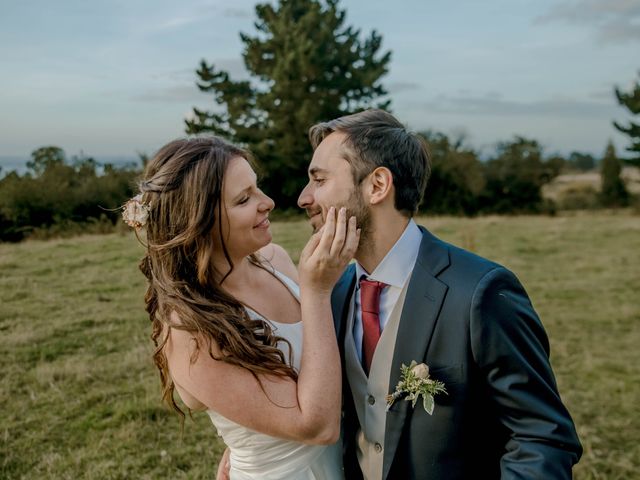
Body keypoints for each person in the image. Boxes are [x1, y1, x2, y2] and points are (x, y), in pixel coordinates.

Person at [296, 109, 583, 479]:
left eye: (319, 180)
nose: (305, 197)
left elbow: (542, 437)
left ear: (377, 185)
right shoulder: (333, 295)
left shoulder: (480, 292)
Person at [128, 137, 359, 479]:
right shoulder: (190, 328)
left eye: (257, 188)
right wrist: (317, 292)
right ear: (200, 222)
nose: (267, 202)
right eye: (243, 199)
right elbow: (315, 427)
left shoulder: (274, 260)